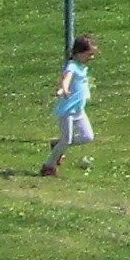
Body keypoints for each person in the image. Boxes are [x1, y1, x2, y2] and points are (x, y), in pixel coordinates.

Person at [39, 36, 97, 176]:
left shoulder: (83, 68)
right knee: (67, 139)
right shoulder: (72, 66)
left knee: (87, 137)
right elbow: (66, 79)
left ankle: (57, 145)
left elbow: (82, 83)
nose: (92, 57)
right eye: (89, 54)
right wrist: (64, 88)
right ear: (78, 53)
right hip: (68, 111)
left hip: (79, 110)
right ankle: (48, 166)